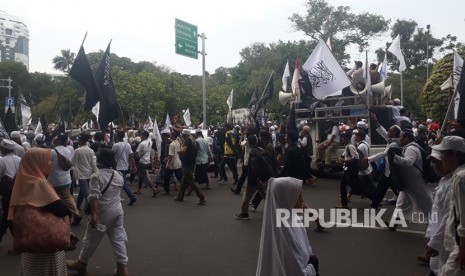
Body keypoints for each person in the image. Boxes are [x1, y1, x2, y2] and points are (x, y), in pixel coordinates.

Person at [8, 148, 71, 275]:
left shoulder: (22, 181)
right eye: (48, 161)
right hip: (47, 244)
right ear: (37, 162)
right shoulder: (39, 184)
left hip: (30, 243)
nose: (51, 164)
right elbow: (62, 210)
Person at [67, 148, 129, 276]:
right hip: (117, 211)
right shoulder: (118, 175)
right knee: (118, 239)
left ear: (100, 160)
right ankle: (122, 269)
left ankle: (81, 263)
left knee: (90, 240)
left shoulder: (96, 176)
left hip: (102, 213)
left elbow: (94, 197)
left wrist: (94, 215)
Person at [256, 177, 319, 276]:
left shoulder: (292, 219)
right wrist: (313, 264)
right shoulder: (284, 232)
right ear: (286, 199)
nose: (302, 202)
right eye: (298, 198)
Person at [417, 150, 452, 275]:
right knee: (436, 267)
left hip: (446, 241)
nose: (433, 165)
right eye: (432, 161)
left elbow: (449, 219)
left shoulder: (454, 184)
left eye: (438, 162)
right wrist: (430, 232)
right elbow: (436, 211)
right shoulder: (444, 180)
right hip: (439, 239)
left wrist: (434, 242)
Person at [388, 128, 433, 228]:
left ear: (407, 138)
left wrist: (394, 158)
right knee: (401, 203)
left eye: (401, 136)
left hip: (416, 182)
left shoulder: (411, 148)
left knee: (426, 205)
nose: (399, 138)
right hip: (409, 181)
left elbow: (408, 162)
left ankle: (434, 227)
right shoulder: (409, 147)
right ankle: (393, 224)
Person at [433, 136, 465, 276]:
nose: (441, 158)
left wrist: (462, 250)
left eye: (444, 154)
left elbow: (463, 218)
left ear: (456, 154)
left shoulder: (460, 178)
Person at [48, 133, 82, 225]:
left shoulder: (52, 151)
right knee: (68, 198)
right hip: (66, 179)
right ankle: (76, 214)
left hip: (53, 180)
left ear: (58, 140)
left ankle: (56, 217)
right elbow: (70, 165)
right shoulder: (68, 150)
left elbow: (48, 166)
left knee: (53, 199)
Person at [174, 129, 206, 204]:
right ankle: (180, 197)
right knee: (184, 181)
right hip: (192, 163)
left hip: (187, 163)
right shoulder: (194, 141)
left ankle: (202, 198)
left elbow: (184, 150)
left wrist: (177, 151)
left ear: (184, 135)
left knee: (191, 182)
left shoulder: (187, 141)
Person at [0, 139, 21, 243]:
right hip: (18, 190)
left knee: (7, 215)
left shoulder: (2, 161)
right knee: (9, 214)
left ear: (3, 149)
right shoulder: (19, 159)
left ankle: (18, 242)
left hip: (7, 191)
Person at [72, 134, 98, 212]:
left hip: (81, 175)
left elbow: (73, 162)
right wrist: (96, 172)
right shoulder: (91, 150)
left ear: (81, 141)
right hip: (89, 173)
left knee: (86, 193)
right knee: (82, 192)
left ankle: (89, 209)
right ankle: (78, 206)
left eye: (79, 140)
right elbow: (93, 163)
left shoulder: (77, 151)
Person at [112, 130, 138, 206]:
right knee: (118, 183)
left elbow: (112, 156)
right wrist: (134, 166)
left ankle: (132, 197)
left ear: (117, 136)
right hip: (125, 166)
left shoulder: (115, 145)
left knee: (123, 184)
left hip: (118, 167)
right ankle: (116, 198)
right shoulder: (128, 145)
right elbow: (131, 157)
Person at [133, 131, 158, 196]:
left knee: (144, 177)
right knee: (141, 176)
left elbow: (136, 153)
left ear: (144, 136)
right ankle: (138, 190)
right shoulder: (150, 141)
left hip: (142, 162)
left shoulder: (142, 144)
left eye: (142, 135)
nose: (141, 136)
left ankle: (154, 189)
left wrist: (132, 157)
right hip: (147, 161)